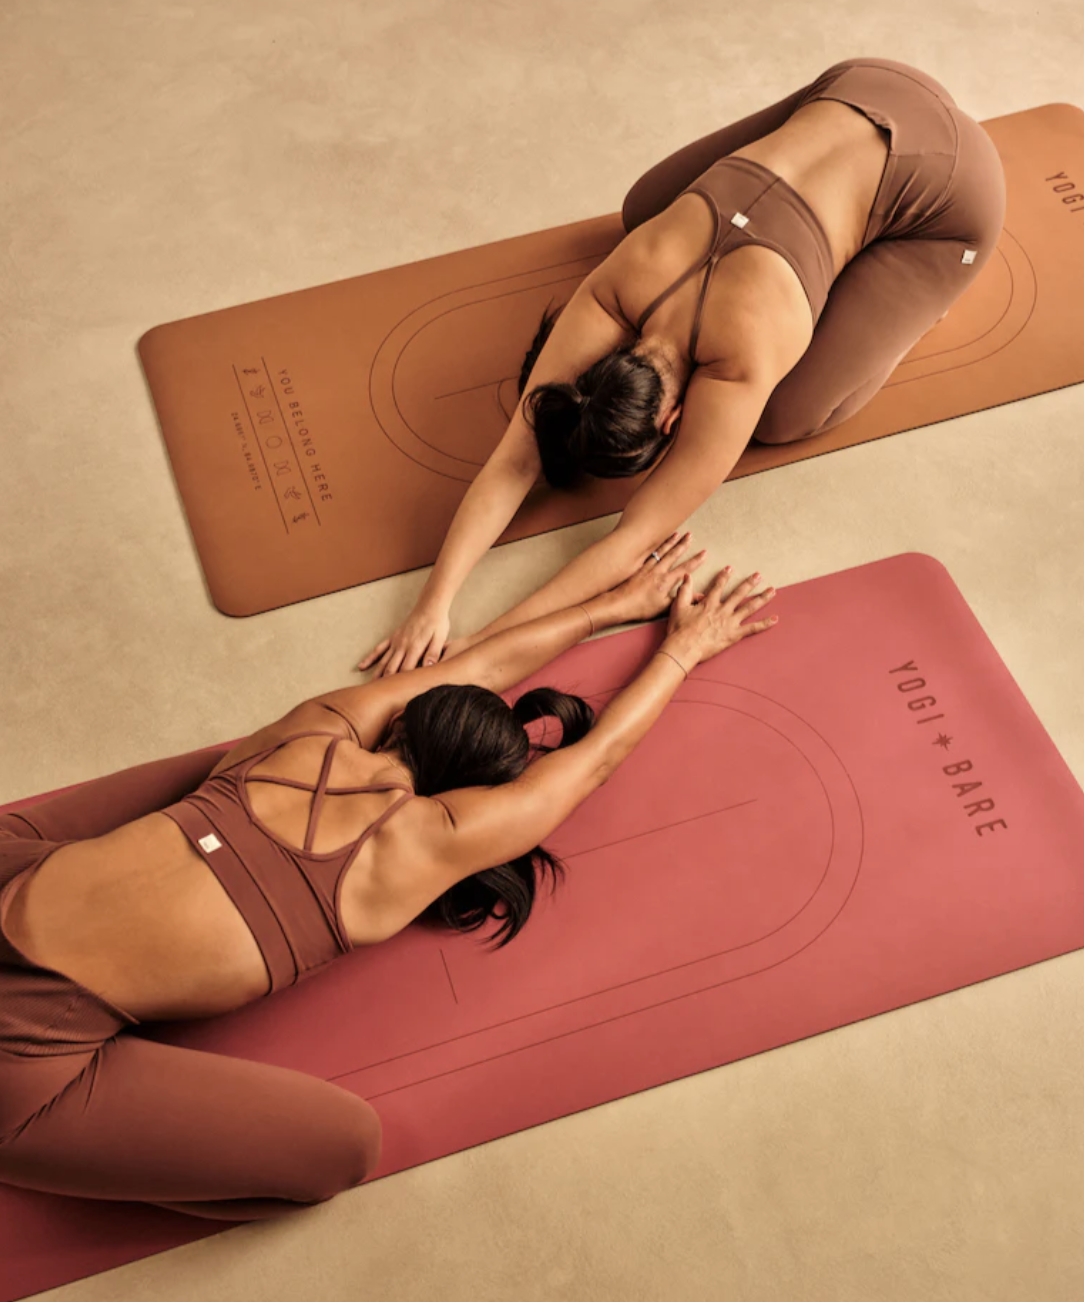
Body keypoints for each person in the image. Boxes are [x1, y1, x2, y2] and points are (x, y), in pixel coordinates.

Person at [0, 537, 777, 1219]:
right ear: (467, 794)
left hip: (15, 887)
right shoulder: (426, 843)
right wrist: (684, 647)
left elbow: (477, 665)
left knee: (207, 775)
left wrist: (613, 605)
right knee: (343, 1150)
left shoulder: (311, 731)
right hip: (21, 1047)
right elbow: (592, 761)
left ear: (405, 719)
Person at [360, 56, 1005, 677]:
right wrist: (433, 606)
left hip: (955, 181)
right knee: (643, 206)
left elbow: (629, 539)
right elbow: (515, 461)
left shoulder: (740, 359)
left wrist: (481, 641)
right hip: (869, 81)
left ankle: (929, 294)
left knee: (791, 415)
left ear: (673, 420)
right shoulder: (620, 281)